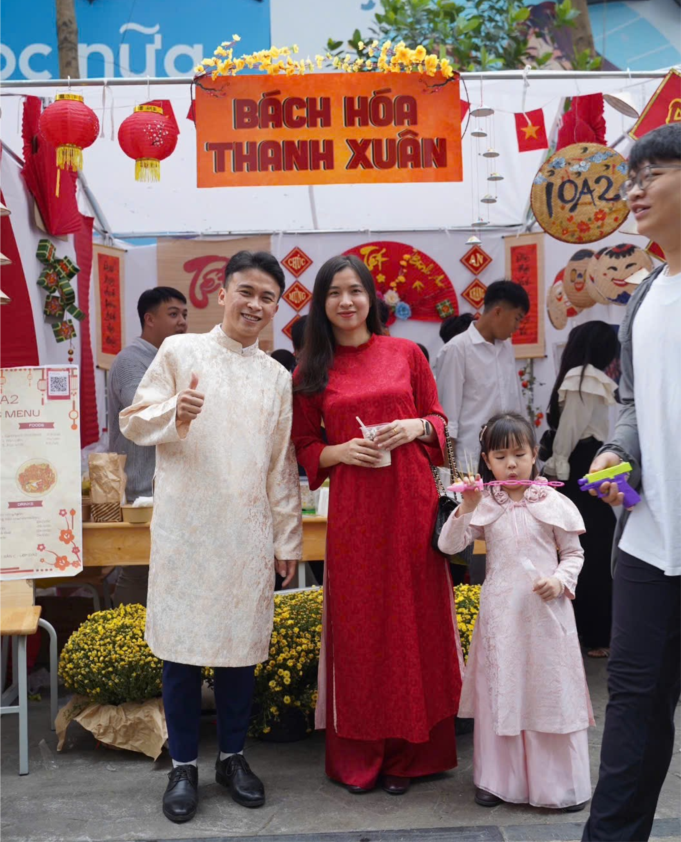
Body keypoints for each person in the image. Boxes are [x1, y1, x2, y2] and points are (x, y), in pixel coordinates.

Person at [120, 251, 302, 825]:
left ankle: (231, 759)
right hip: (187, 532)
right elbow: (133, 421)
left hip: (246, 533)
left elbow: (281, 464)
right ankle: (182, 768)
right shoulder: (180, 352)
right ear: (222, 294)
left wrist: (286, 541)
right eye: (246, 292)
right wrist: (176, 410)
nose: (255, 305)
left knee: (239, 654)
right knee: (180, 654)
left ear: (275, 307)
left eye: (267, 298)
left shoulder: (276, 377)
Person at [292, 254, 462, 796]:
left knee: (416, 621)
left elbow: (439, 421)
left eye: (355, 290)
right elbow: (304, 446)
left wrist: (416, 426)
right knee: (361, 628)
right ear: (321, 304)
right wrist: (339, 451)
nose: (346, 302)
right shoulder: (310, 371)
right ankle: (364, 755)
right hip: (356, 512)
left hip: (411, 504)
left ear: (371, 298)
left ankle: (415, 753)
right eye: (334, 293)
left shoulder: (407, 353)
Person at [582, 124, 681, 842]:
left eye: (652, 175)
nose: (635, 192)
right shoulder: (645, 296)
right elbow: (634, 404)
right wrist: (617, 455)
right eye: (631, 180)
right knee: (633, 710)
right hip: (648, 541)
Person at [439, 412, 593, 812]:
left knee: (549, 690)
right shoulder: (484, 503)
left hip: (547, 614)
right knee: (502, 689)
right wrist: (467, 506)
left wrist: (559, 581)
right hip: (501, 615)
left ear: (535, 454)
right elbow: (449, 545)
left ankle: (557, 786)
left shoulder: (554, 502)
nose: (511, 464)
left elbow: (573, 554)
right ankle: (496, 781)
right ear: (486, 461)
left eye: (519, 455)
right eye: (501, 456)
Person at [107, 286, 188, 606]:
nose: (182, 322)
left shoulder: (171, 360)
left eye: (184, 314)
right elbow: (143, 413)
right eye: (173, 314)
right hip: (140, 489)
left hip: (169, 486)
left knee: (168, 572)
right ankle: (127, 633)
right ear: (149, 319)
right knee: (138, 568)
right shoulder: (130, 361)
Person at [543, 321, 619, 657]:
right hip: (589, 461)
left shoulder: (582, 377)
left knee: (581, 544)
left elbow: (569, 431)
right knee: (594, 544)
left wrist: (555, 465)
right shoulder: (590, 378)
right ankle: (598, 632)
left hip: (577, 465)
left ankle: (591, 632)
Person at [433, 281, 529, 471]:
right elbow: (447, 420)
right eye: (517, 318)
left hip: (508, 459)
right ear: (498, 312)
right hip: (471, 461)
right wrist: (449, 471)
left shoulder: (506, 348)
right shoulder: (457, 349)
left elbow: (516, 405)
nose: (517, 327)